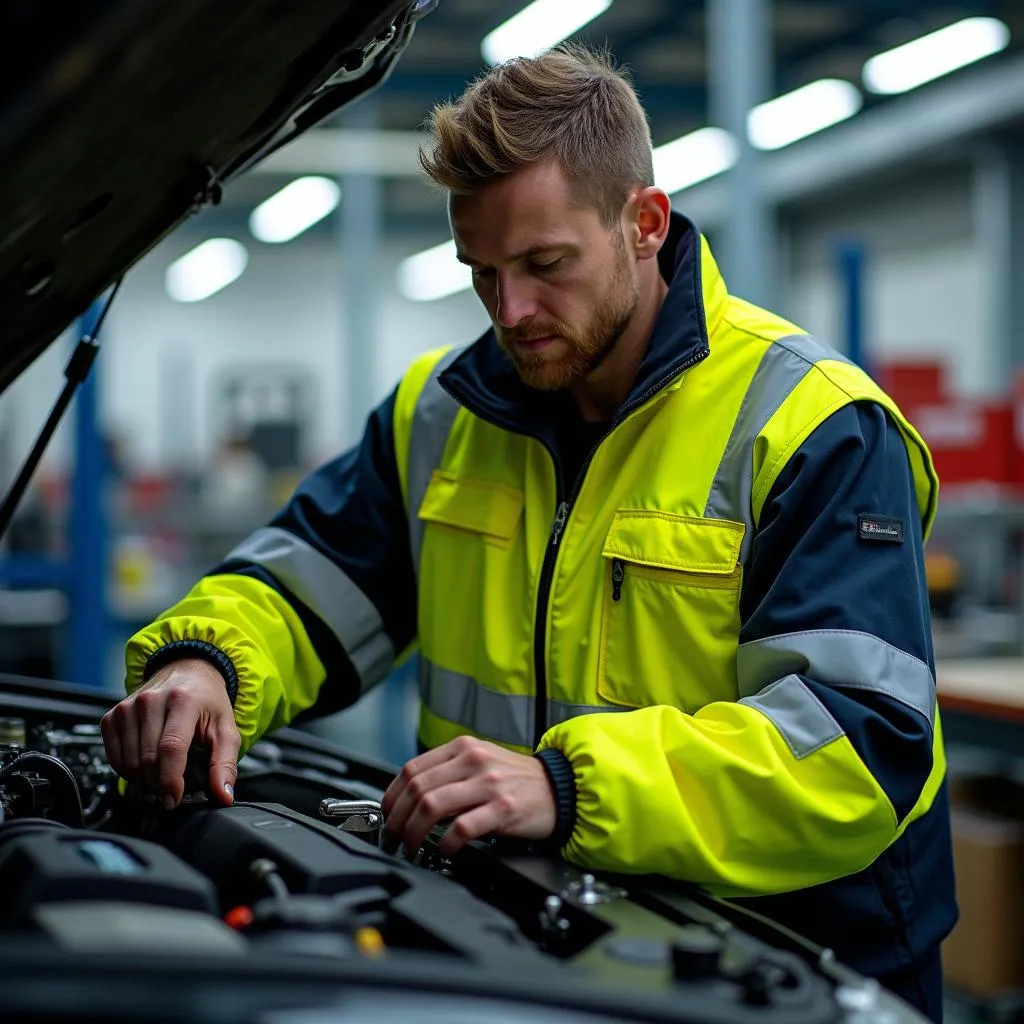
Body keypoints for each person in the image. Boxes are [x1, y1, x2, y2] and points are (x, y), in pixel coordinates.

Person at [101, 45, 955, 1020]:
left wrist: (567, 784)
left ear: (643, 223)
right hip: (521, 944)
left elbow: (857, 749)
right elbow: (303, 584)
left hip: (785, 966)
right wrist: (205, 662)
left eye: (546, 265)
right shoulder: (441, 414)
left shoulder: (810, 425)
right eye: (481, 271)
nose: (511, 311)